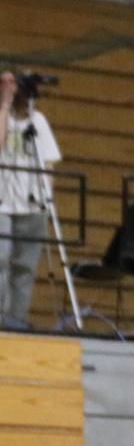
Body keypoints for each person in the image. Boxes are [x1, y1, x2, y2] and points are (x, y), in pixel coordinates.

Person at [0, 71, 59, 332]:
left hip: (31, 206)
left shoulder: (38, 121)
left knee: (24, 269)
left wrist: (47, 197)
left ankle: (16, 322)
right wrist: (4, 103)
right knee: (0, 261)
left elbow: (48, 164)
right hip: (2, 204)